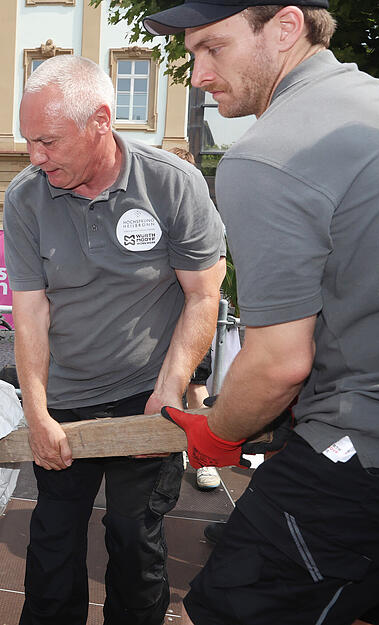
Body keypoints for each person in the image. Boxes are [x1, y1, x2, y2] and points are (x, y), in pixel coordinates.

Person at [143, 1, 379, 623]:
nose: (197, 73)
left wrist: (219, 432)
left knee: (230, 603)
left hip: (363, 444)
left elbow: (278, 363)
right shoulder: (372, 101)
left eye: (213, 48)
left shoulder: (267, 154)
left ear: (285, 27)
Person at [4, 55, 226, 625]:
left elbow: (204, 296)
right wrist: (37, 412)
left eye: (48, 141)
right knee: (53, 539)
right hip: (66, 401)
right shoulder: (26, 197)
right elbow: (29, 312)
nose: (36, 157)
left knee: (132, 536)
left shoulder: (174, 185)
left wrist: (172, 389)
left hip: (145, 393)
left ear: (101, 120)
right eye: (29, 141)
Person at [167, 146, 223, 492]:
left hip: (191, 321)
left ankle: (205, 460)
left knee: (195, 387)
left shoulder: (204, 216)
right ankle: (180, 454)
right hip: (157, 327)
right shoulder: (153, 210)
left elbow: (211, 280)